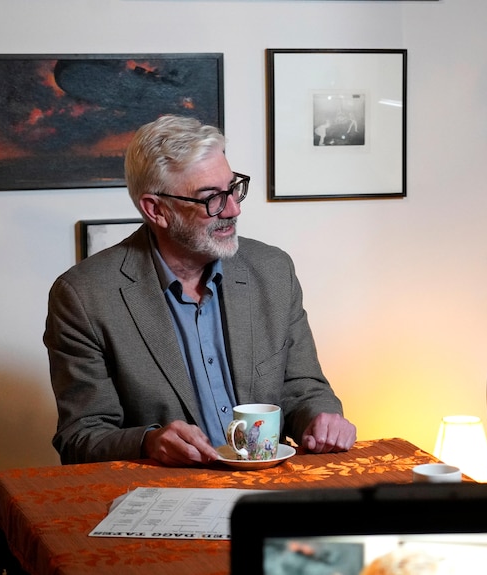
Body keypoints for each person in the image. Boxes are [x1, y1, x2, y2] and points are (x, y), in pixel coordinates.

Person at [44, 114, 356, 466]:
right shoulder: (83, 296)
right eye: (212, 198)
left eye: (233, 188)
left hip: (268, 489)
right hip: (165, 499)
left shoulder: (272, 270)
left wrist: (322, 417)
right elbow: (80, 436)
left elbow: (305, 388)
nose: (234, 209)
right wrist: (148, 442)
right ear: (156, 209)